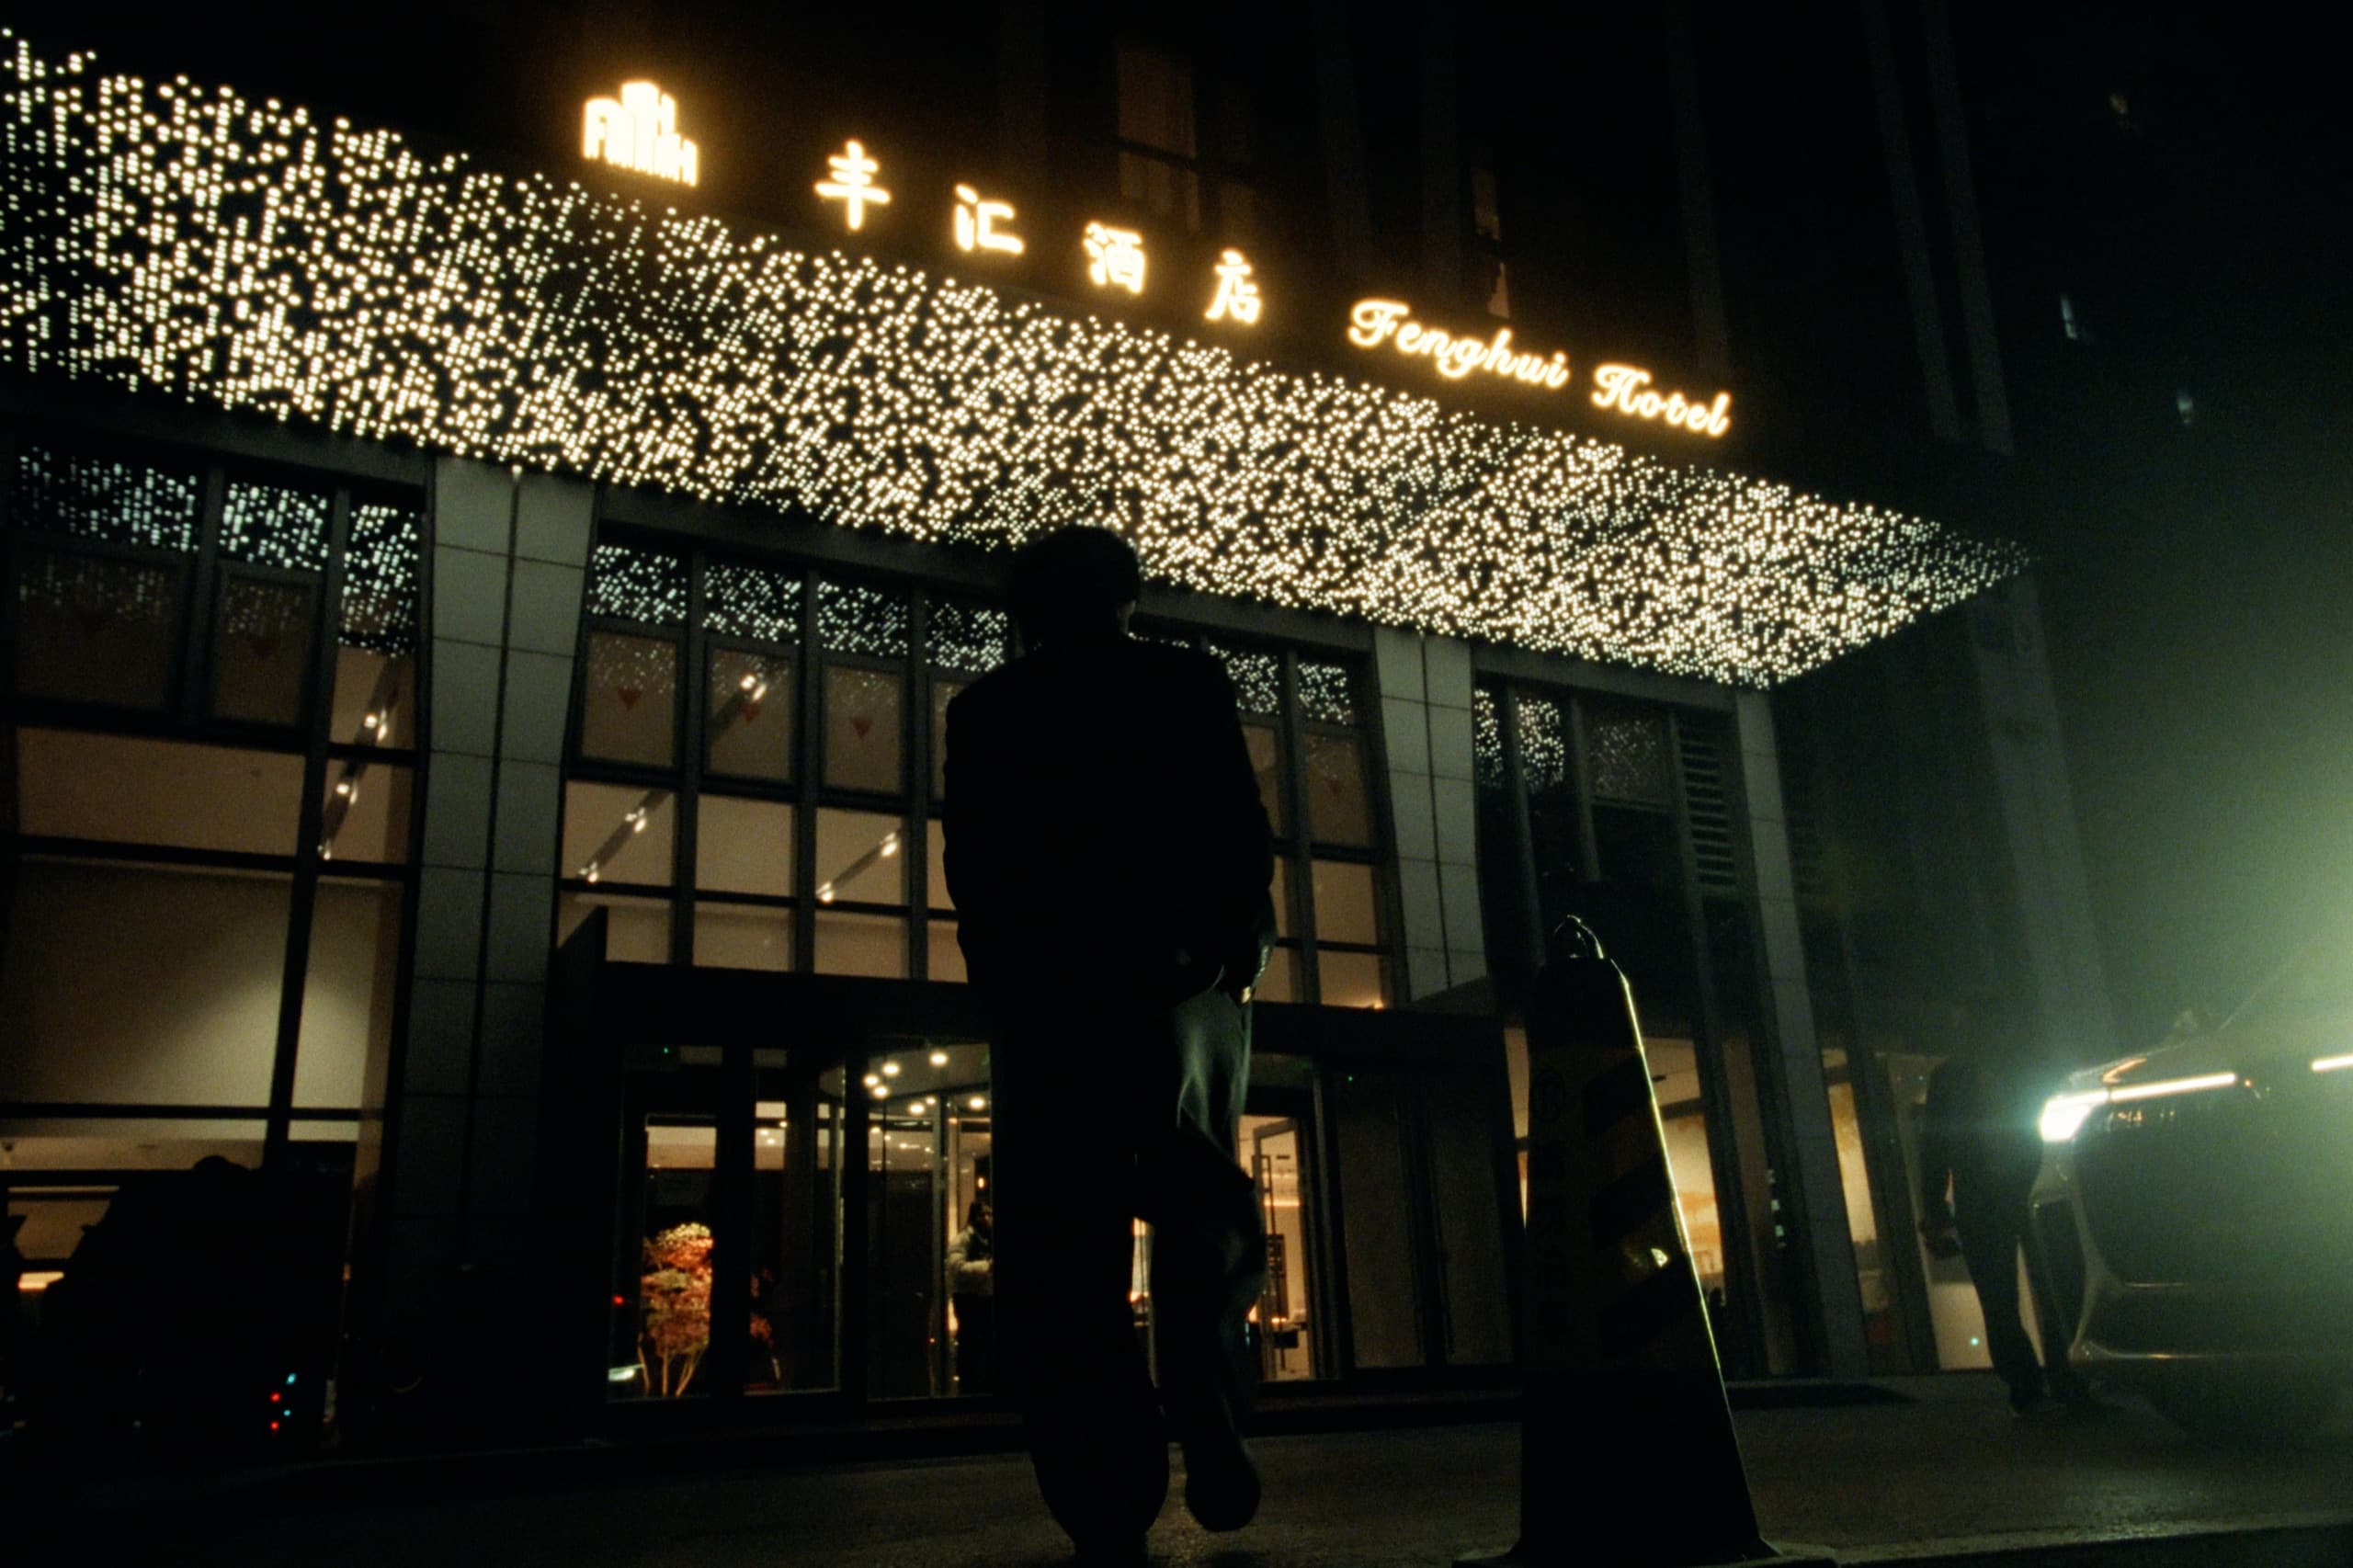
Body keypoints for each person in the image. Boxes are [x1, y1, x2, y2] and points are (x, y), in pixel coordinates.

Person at [943, 525, 1277, 1560]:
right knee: (1201, 1202)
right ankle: (1208, 1401)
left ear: (1027, 610)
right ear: (1128, 598)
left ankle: (1102, 1482)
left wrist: (1003, 981)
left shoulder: (989, 708)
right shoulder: (1184, 680)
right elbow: (1235, 818)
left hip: (1051, 993)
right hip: (1181, 979)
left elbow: (976, 859)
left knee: (1062, 1240)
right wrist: (1236, 948)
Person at [1918, 1047, 2099, 1415]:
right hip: (2024, 1191)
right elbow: (1935, 1148)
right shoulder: (2031, 1068)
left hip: (1993, 1197)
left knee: (2011, 1298)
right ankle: (2058, 1384)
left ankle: (2033, 1388)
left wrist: (1936, 1210)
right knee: (2045, 1290)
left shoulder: (1952, 1077)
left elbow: (1934, 1148)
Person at [947, 1199, 996, 1394]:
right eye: (982, 1214)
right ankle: (970, 1388)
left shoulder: (985, 1239)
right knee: (971, 1345)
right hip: (969, 1299)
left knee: (982, 1346)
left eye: (989, 1214)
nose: (986, 1219)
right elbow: (956, 1268)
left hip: (982, 1297)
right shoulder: (963, 1239)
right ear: (973, 1217)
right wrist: (986, 1267)